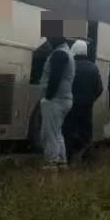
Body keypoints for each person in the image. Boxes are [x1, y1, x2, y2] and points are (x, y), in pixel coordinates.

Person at [62, 40, 102, 163]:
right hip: (86, 107)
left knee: (68, 132)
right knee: (86, 134)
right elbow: (99, 89)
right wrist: (91, 99)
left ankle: (67, 159)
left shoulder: (68, 65)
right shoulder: (93, 67)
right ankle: (87, 160)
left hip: (70, 105)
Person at [39, 36, 75, 169]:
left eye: (49, 39)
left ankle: (51, 163)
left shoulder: (59, 54)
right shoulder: (67, 52)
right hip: (64, 98)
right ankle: (61, 161)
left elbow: (55, 77)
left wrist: (48, 96)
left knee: (50, 133)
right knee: (57, 132)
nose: (47, 41)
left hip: (56, 99)